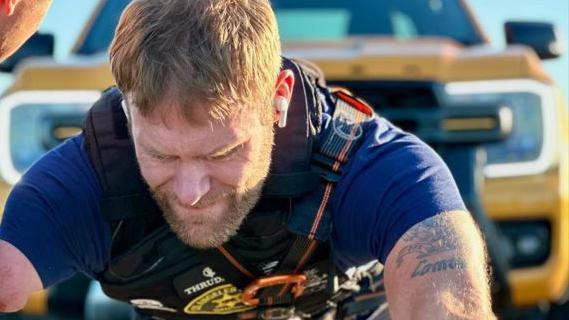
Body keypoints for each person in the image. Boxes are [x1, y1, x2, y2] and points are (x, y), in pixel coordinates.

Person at [0, 0, 495, 318]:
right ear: (127, 110)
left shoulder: (377, 168)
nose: (191, 190)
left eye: (223, 152)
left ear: (278, 99)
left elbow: (449, 302)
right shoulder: (79, 181)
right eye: (161, 154)